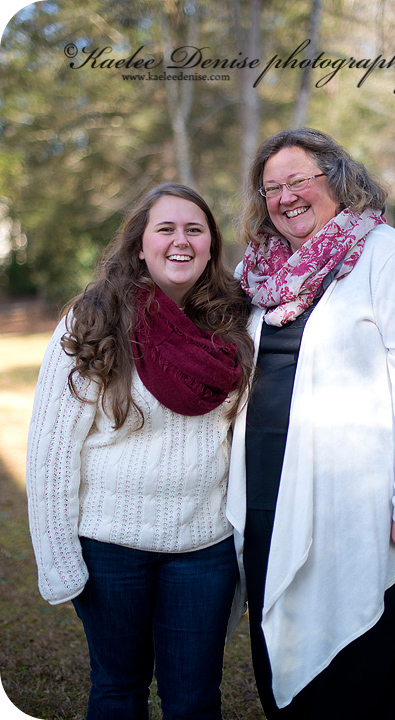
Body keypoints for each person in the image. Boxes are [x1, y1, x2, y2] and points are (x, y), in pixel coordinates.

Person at [226, 128, 395, 720]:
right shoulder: (255, 270)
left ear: (336, 178)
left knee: (360, 663)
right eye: (271, 188)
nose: (285, 197)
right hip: (269, 488)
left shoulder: (385, 254)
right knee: (278, 630)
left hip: (367, 499)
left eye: (297, 181)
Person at [26, 182, 254, 720]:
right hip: (110, 549)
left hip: (203, 548)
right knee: (118, 691)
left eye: (194, 229)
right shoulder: (93, 320)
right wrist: (58, 558)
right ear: (139, 245)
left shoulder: (235, 323)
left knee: (195, 699)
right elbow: (51, 452)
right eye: (166, 228)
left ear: (211, 246)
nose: (181, 241)